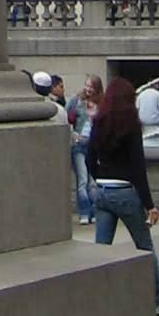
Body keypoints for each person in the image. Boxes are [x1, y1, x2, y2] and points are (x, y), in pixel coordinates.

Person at [86, 76, 159, 316]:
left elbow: (89, 158)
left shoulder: (99, 121)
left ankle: (94, 300)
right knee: (144, 247)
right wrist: (149, 204)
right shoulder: (130, 125)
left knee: (101, 250)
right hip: (125, 191)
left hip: (103, 191)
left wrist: (99, 177)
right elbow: (138, 167)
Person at [70, 76, 102, 224]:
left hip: (95, 146)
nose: (88, 89)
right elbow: (67, 118)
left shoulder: (102, 104)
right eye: (87, 86)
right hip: (79, 145)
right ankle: (84, 212)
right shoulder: (76, 101)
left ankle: (95, 211)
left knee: (93, 182)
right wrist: (73, 133)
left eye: (91, 87)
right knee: (82, 180)